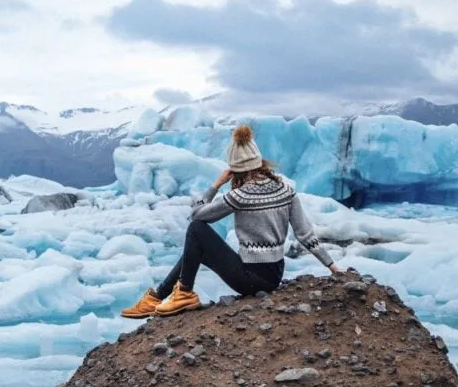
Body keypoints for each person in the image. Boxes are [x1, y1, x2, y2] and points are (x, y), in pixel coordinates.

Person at [121, 124, 340, 319]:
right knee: (196, 249)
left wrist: (215, 185)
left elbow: (197, 215)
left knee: (196, 231)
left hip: (250, 280)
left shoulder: (241, 196)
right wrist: (332, 266)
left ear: (234, 169)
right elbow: (305, 234)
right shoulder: (285, 190)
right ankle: (159, 297)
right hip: (274, 275)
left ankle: (184, 293)